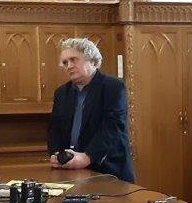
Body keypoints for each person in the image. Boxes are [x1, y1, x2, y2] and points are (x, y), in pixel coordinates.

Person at [47, 37, 135, 183]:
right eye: (65, 62)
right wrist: (57, 156)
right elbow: (54, 129)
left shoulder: (113, 87)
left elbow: (112, 128)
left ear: (92, 61)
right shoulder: (61, 93)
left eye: (73, 60)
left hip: (108, 171)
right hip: (70, 171)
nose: (69, 66)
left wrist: (87, 157)